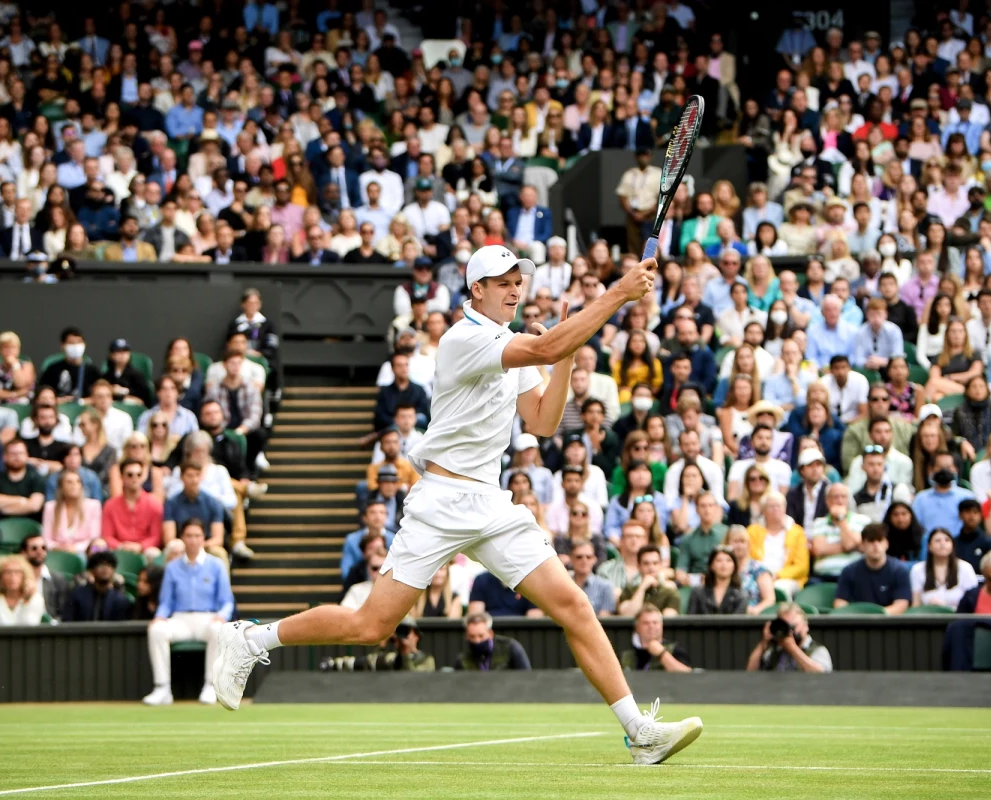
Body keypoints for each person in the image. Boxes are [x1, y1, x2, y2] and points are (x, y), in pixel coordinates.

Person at [212, 245, 704, 763]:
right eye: (502, 282)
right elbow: (539, 350)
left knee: (574, 605)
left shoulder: (514, 344)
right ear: (477, 290)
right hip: (442, 501)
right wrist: (618, 294)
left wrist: (565, 357)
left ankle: (639, 733)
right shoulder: (463, 338)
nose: (515, 289)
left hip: (492, 502)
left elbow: (541, 422)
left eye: (519, 280)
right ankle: (252, 639)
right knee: (370, 627)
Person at [143, 519, 234, 707]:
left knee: (218, 630)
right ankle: (162, 688)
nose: (193, 540)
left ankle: (211, 686)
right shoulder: (172, 567)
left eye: (197, 535)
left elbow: (227, 601)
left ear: (203, 538)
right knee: (157, 630)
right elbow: (166, 602)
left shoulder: (216, 565)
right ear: (182, 538)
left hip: (208, 617)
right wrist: (159, 616)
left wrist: (222, 616)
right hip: (180, 619)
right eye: (189, 536)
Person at [834, 524, 913, 614]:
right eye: (871, 541)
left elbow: (901, 604)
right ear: (863, 545)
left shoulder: (899, 571)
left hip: (889, 623)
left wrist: (876, 616)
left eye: (879, 540)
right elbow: (840, 602)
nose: (876, 546)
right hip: (857, 623)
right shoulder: (849, 571)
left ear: (887, 544)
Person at [746, 603, 833, 673]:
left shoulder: (818, 650)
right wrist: (763, 642)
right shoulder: (775, 650)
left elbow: (821, 676)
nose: (790, 631)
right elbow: (751, 672)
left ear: (806, 626)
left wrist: (793, 648)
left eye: (793, 626)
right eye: (786, 626)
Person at [909, 528, 978, 609]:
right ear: (929, 546)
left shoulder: (965, 568)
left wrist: (944, 607)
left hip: (959, 618)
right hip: (928, 618)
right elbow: (916, 604)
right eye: (937, 541)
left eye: (947, 540)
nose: (942, 543)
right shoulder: (917, 569)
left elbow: (973, 602)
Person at [62, 551, 132, 622]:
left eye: (109, 565)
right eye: (101, 565)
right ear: (91, 570)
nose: (105, 568)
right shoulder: (78, 594)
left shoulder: (120, 600)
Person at [620, 605, 692, 672]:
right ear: (637, 627)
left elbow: (688, 676)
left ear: (661, 625)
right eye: (646, 623)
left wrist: (662, 654)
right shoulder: (626, 656)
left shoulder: (674, 650)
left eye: (655, 622)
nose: (651, 626)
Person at [616, 545, 681, 617]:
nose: (651, 568)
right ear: (639, 566)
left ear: (660, 565)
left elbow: (668, 621)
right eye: (646, 564)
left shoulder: (670, 593)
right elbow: (628, 615)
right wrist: (642, 588)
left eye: (655, 563)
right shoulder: (628, 591)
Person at [0, 555, 46, 626]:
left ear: (24, 575)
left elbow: (30, 627)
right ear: (0, 577)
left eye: (17, 572)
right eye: (8, 572)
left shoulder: (35, 599)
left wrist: (26, 602)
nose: (12, 577)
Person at [457, 611, 531, 671]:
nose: (477, 641)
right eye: (472, 636)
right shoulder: (463, 660)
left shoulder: (510, 648)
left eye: (481, 636)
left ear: (490, 633)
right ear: (466, 636)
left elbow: (526, 676)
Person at [686, 547, 748, 615]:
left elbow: (738, 623)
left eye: (728, 560)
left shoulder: (741, 595)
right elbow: (690, 620)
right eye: (719, 560)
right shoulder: (698, 592)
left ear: (734, 566)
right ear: (712, 565)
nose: (724, 564)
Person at [568, 540, 615, 616]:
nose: (584, 560)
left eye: (588, 557)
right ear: (571, 559)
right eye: (579, 557)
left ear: (594, 559)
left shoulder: (605, 586)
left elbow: (605, 619)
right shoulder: (563, 584)